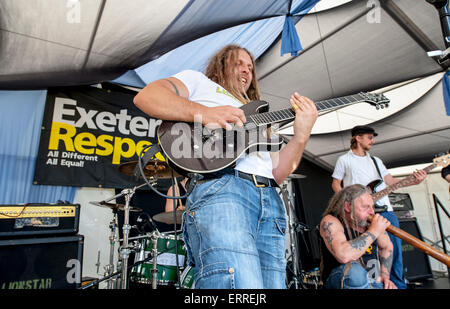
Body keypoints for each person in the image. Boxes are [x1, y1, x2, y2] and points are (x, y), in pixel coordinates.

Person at [133, 44, 318, 288]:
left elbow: (278, 172)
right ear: (219, 68)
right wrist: (205, 113)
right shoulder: (199, 82)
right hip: (224, 190)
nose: (246, 70)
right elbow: (146, 97)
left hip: (269, 199)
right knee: (239, 286)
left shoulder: (260, 113)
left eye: (250, 67)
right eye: (239, 63)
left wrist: (301, 136)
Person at [331, 125, 427, 289]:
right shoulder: (344, 160)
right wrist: (346, 204)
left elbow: (390, 182)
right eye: (369, 137)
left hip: (384, 211)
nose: (373, 141)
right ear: (358, 138)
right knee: (364, 251)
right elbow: (335, 184)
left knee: (394, 250)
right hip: (361, 214)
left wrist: (413, 180)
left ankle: (396, 285)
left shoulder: (376, 161)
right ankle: (368, 283)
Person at [319, 184, 397, 289]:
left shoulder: (370, 224)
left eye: (372, 207)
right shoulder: (330, 221)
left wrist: (385, 276)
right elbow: (344, 256)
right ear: (347, 207)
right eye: (365, 207)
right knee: (354, 273)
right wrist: (374, 231)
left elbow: (387, 246)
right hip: (342, 281)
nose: (372, 212)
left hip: (372, 282)